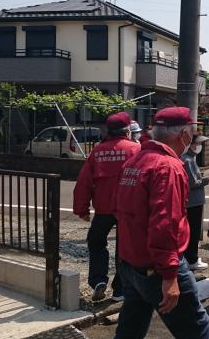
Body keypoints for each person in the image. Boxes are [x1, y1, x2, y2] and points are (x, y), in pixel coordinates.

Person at [114, 106, 209, 339]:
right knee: (197, 330)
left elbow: (119, 211)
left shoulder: (135, 161)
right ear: (182, 135)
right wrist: (169, 276)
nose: (192, 139)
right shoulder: (168, 166)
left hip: (130, 261)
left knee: (131, 328)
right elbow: (165, 223)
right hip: (158, 267)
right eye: (191, 133)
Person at [73, 112, 141, 302]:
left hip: (103, 209)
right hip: (128, 209)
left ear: (107, 130)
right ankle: (120, 288)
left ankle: (98, 280)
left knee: (95, 241)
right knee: (124, 247)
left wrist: (82, 208)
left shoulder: (98, 150)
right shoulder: (135, 149)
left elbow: (84, 182)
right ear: (127, 130)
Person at [182, 133, 209, 275]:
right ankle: (192, 259)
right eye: (197, 143)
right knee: (193, 231)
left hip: (193, 201)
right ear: (190, 144)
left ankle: (190, 258)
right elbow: (193, 183)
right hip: (193, 202)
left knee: (192, 230)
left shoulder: (190, 158)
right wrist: (208, 179)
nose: (199, 146)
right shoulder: (187, 160)